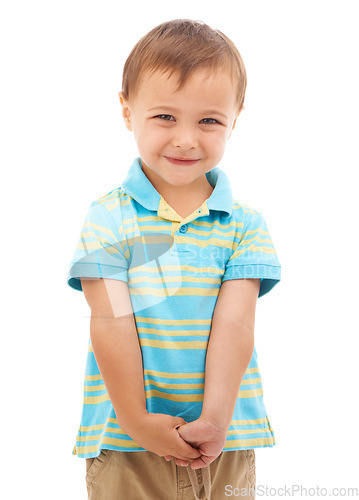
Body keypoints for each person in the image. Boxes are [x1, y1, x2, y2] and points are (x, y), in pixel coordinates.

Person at [67, 19, 281, 500]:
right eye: (165, 117)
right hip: (127, 445)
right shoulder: (108, 217)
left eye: (208, 121)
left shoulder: (245, 225)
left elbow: (236, 324)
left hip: (226, 439)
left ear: (235, 117)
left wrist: (216, 418)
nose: (186, 139)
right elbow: (109, 320)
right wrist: (137, 420)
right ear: (127, 111)